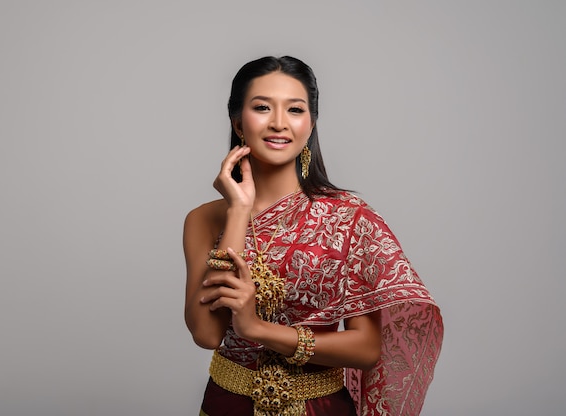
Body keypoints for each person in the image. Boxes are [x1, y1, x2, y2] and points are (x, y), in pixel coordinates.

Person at [183, 56, 443, 416]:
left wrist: (258, 328)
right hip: (227, 403)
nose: (278, 123)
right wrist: (238, 211)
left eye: (294, 109)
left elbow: (367, 349)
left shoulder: (350, 218)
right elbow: (207, 334)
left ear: (310, 123)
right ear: (238, 122)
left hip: (319, 406)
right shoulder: (204, 219)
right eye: (262, 107)